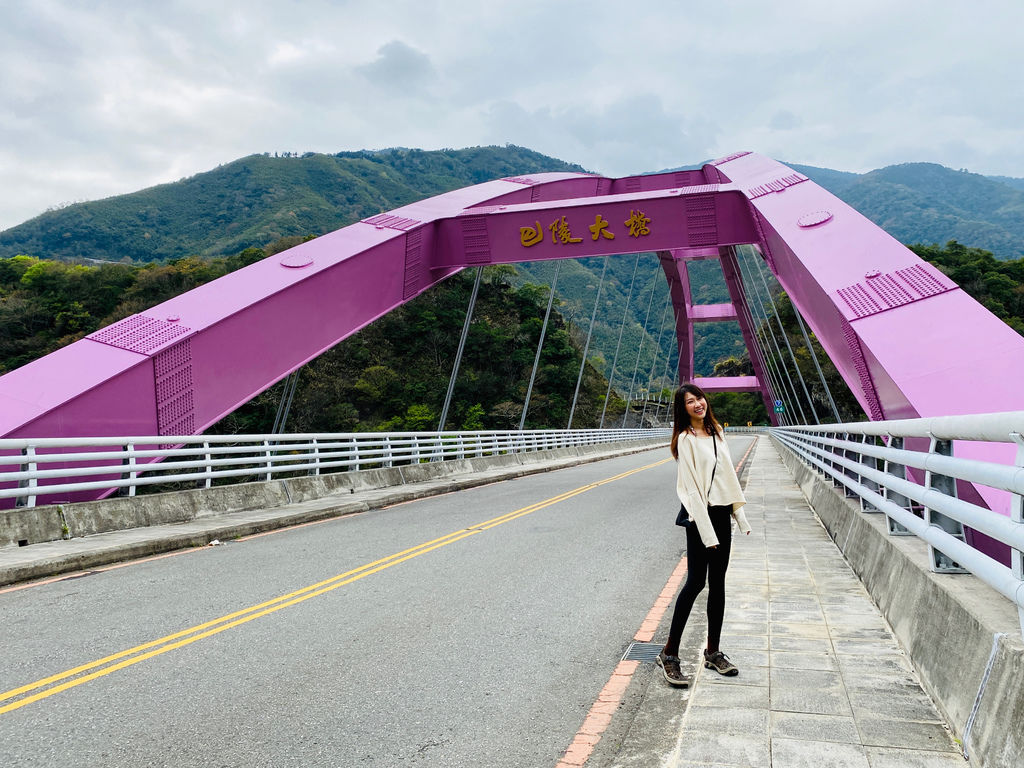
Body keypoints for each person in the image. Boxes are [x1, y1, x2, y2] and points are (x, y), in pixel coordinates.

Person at [656, 383, 751, 687]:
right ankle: (669, 654)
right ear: (682, 409)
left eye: (699, 398)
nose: (697, 403)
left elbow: (727, 479)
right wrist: (706, 530)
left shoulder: (717, 433)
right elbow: (690, 490)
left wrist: (738, 513)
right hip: (700, 517)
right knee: (696, 582)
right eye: (689, 401)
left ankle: (713, 652)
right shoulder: (685, 440)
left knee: (718, 583)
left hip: (721, 514)